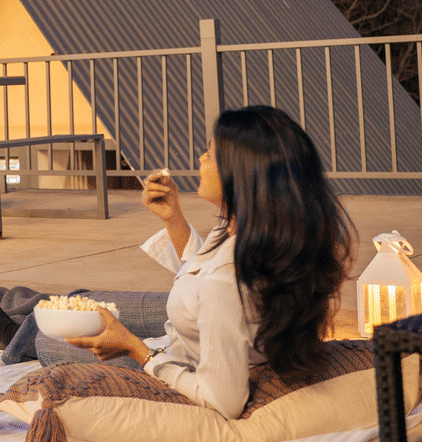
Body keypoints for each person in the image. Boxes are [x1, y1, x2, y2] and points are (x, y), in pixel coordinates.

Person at [55, 105, 354, 418]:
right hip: (186, 318)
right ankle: (8, 306)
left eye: (209, 154)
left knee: (50, 336)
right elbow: (203, 272)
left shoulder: (225, 284)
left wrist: (137, 349)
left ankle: (6, 326)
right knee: (78, 303)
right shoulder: (257, 232)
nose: (201, 159)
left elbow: (223, 400)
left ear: (239, 174)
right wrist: (174, 220)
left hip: (180, 342)